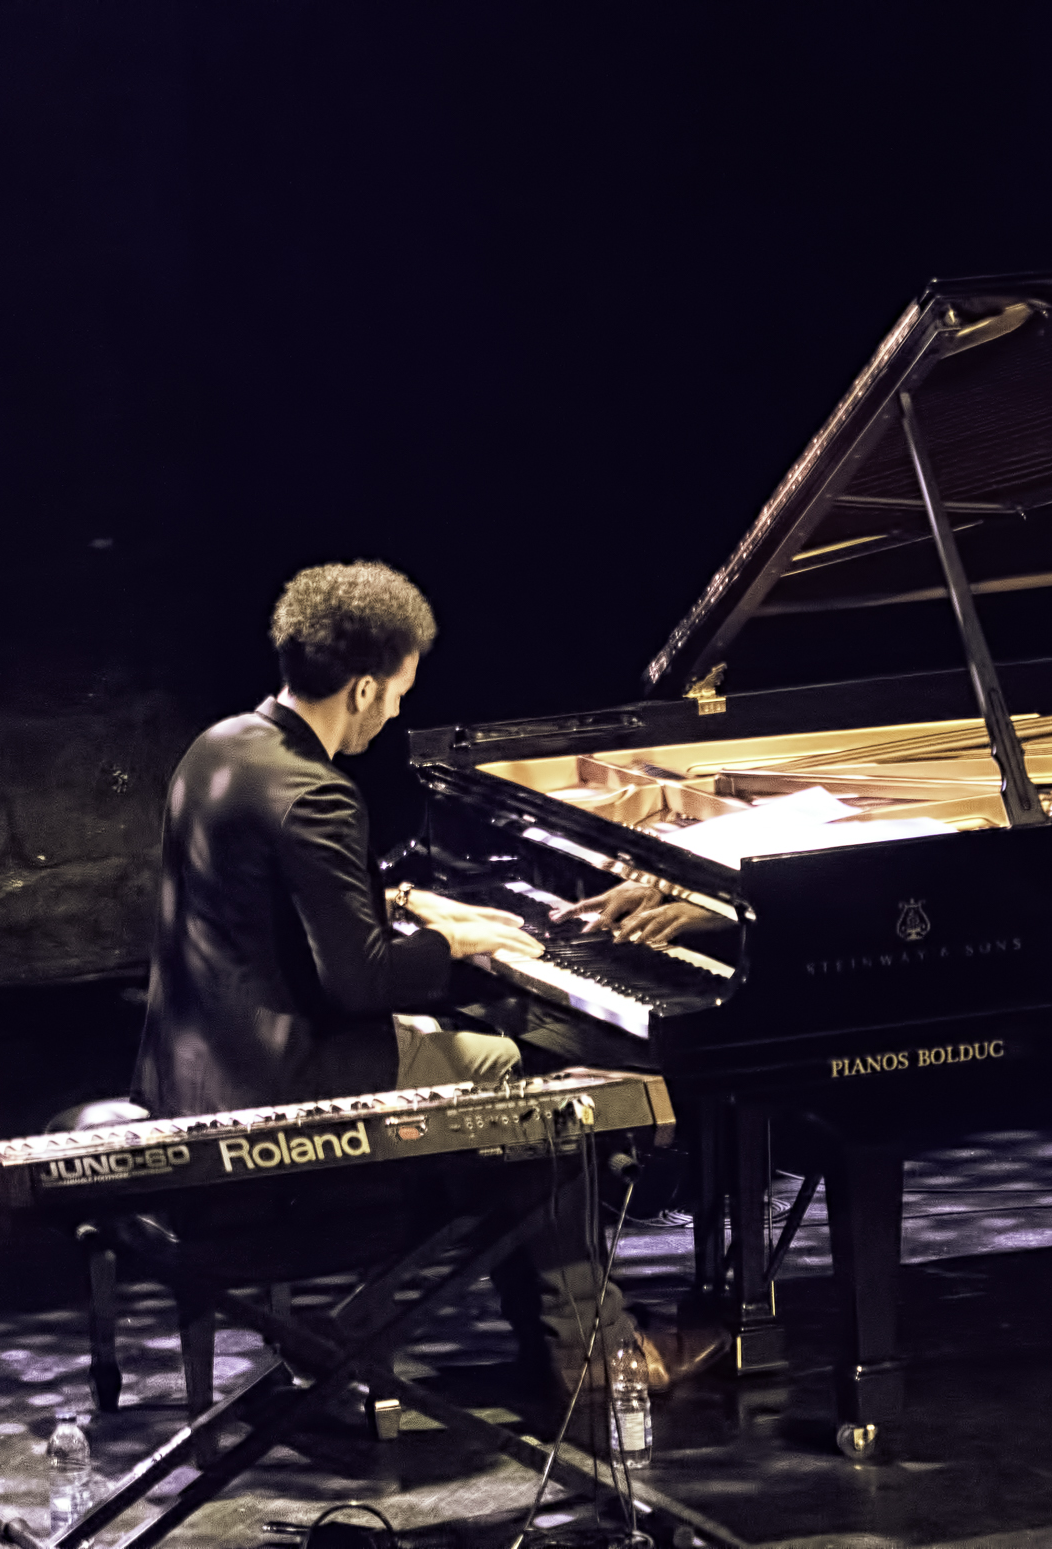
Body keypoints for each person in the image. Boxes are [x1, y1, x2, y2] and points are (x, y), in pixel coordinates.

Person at [129, 560, 723, 1414]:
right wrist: (454, 939)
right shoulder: (319, 792)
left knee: (497, 1088)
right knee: (544, 1095)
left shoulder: (221, 747)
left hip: (189, 1064)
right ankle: (592, 1349)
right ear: (364, 688)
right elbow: (363, 980)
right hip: (287, 1075)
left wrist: (406, 900)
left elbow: (278, 902)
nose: (403, 707)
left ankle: (535, 1318)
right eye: (401, 690)